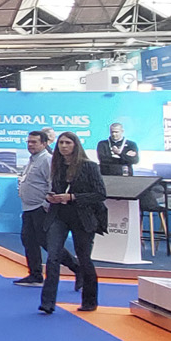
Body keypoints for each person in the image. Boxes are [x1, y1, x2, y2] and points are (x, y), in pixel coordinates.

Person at [40, 132, 103, 315]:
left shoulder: (89, 166)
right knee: (52, 257)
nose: (64, 146)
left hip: (81, 217)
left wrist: (72, 197)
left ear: (75, 145)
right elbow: (55, 188)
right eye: (61, 143)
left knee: (84, 258)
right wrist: (51, 197)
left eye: (68, 143)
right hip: (59, 215)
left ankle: (89, 300)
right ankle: (47, 303)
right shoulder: (57, 165)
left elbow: (100, 194)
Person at [11, 130, 53, 287]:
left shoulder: (47, 160)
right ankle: (35, 275)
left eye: (34, 142)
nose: (30, 145)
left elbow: (52, 183)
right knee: (28, 241)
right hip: (28, 208)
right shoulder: (32, 160)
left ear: (44, 144)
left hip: (40, 208)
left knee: (47, 243)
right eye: (28, 142)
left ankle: (77, 268)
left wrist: (46, 205)